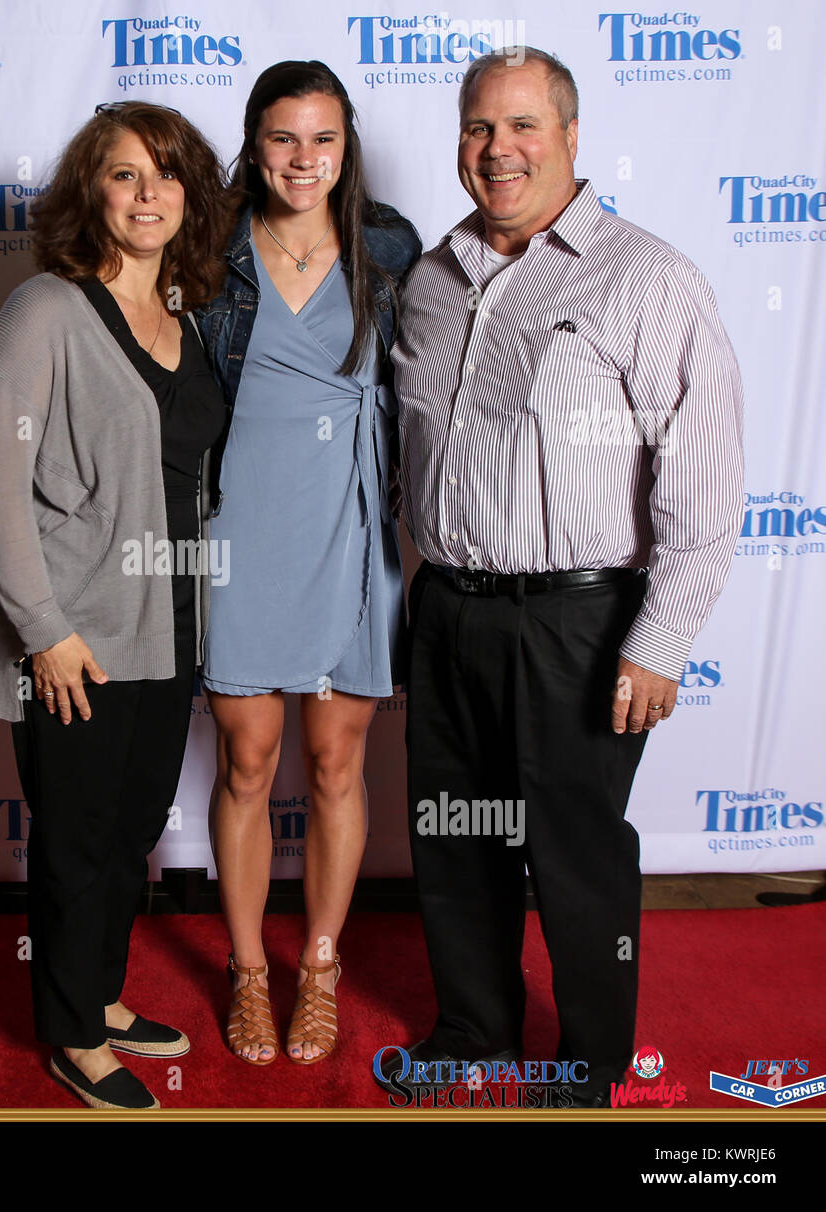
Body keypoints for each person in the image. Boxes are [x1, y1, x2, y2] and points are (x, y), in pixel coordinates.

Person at [382, 47, 744, 1106]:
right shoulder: (430, 280)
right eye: (478, 128)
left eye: (523, 126)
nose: (499, 150)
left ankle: (588, 1066)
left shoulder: (646, 276)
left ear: (571, 137)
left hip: (580, 622)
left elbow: (704, 478)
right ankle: (472, 1031)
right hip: (446, 609)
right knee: (456, 838)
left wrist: (659, 639)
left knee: (575, 855)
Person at [0, 101, 233, 1110]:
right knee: (75, 843)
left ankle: (100, 994)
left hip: (166, 627)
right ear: (94, 193)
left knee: (126, 837)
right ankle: (71, 1033)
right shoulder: (43, 312)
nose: (148, 193)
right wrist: (45, 633)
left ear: (188, 198)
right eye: (124, 175)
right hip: (75, 637)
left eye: (165, 175)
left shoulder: (186, 315)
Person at [197, 61, 420, 1065]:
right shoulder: (207, 243)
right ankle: (248, 971)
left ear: (345, 146)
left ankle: (318, 968)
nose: (303, 158)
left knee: (335, 762)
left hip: (349, 526)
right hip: (239, 526)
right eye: (283, 138)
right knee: (248, 761)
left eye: (322, 138)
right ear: (253, 142)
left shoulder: (387, 246)